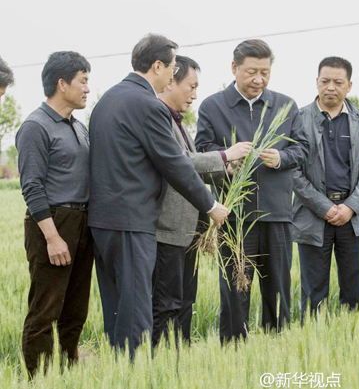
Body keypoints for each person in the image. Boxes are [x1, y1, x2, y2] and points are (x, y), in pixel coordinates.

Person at [88, 34, 228, 355]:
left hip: (102, 222)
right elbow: (175, 163)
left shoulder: (108, 99)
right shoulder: (148, 105)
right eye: (172, 68)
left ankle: (118, 368)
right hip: (132, 222)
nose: (171, 76)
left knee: (116, 309)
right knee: (137, 312)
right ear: (157, 66)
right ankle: (137, 373)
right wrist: (210, 205)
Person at [195, 39, 308, 343]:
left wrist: (281, 157)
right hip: (234, 219)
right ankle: (233, 353)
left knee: (278, 293)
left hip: (276, 215)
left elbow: (303, 150)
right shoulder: (212, 106)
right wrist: (227, 159)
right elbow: (201, 152)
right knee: (235, 293)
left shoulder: (286, 105)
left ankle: (277, 348)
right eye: (251, 72)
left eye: (265, 73)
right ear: (234, 68)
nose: (258, 79)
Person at [152, 55, 251, 346]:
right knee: (167, 303)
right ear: (170, 81)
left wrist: (226, 170)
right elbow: (179, 162)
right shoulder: (158, 117)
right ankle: (163, 360)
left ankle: (179, 357)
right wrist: (225, 155)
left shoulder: (178, 121)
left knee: (185, 301)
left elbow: (189, 169)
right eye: (191, 86)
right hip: (168, 230)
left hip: (188, 232)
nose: (195, 95)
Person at [16, 51, 94, 376]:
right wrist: (52, 237)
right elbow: (32, 186)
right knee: (46, 307)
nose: (88, 88)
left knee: (76, 307)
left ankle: (68, 368)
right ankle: (40, 377)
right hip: (52, 223)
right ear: (62, 84)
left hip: (83, 223)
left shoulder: (79, 127)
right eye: (83, 81)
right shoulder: (35, 126)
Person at [292, 56, 359, 320]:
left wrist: (350, 207)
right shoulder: (299, 119)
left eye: (338, 82)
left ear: (349, 86)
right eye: (325, 81)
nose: (331, 87)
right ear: (316, 82)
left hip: (353, 218)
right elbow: (293, 171)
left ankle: (352, 339)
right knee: (313, 293)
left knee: (354, 291)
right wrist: (324, 207)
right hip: (313, 216)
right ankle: (313, 338)